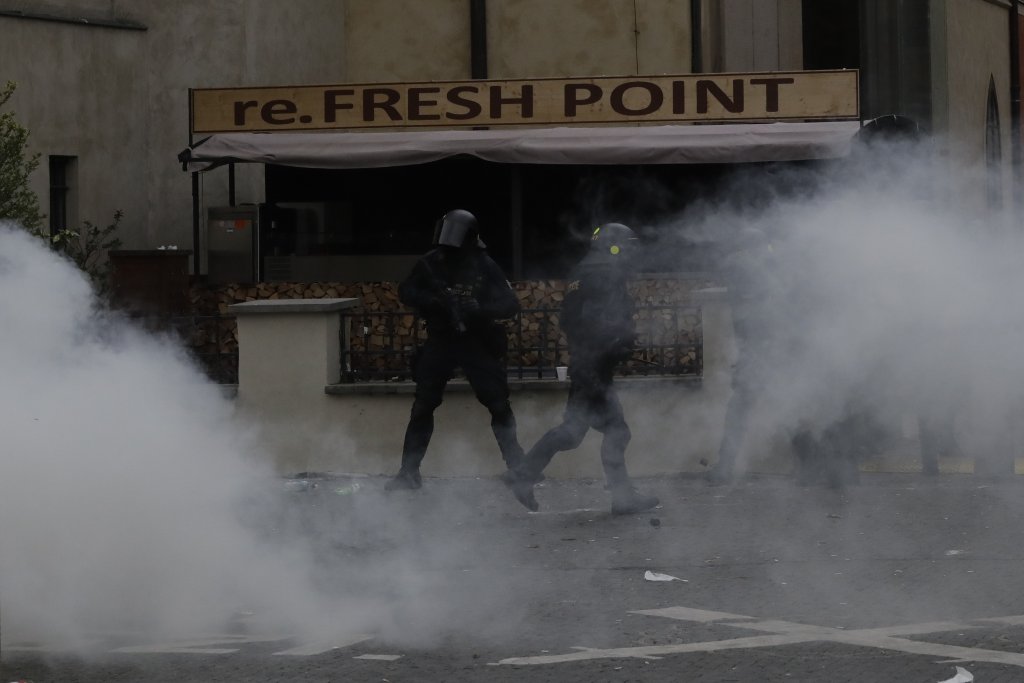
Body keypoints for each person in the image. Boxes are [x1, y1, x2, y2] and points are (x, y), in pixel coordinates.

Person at [506, 223, 660, 515]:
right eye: (626, 246)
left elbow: (569, 320)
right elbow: (597, 320)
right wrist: (617, 341)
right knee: (617, 432)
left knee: (573, 433)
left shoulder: (583, 270)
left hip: (586, 363)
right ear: (614, 246)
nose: (630, 253)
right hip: (595, 366)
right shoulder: (606, 272)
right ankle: (622, 498)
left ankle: (523, 475)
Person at [384, 209, 526, 490]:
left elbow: (510, 305)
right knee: (423, 405)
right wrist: (433, 300)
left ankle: (519, 467)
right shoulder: (431, 262)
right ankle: (408, 472)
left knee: (498, 403)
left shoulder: (484, 265)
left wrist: (480, 309)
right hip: (441, 340)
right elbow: (406, 291)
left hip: (475, 341)